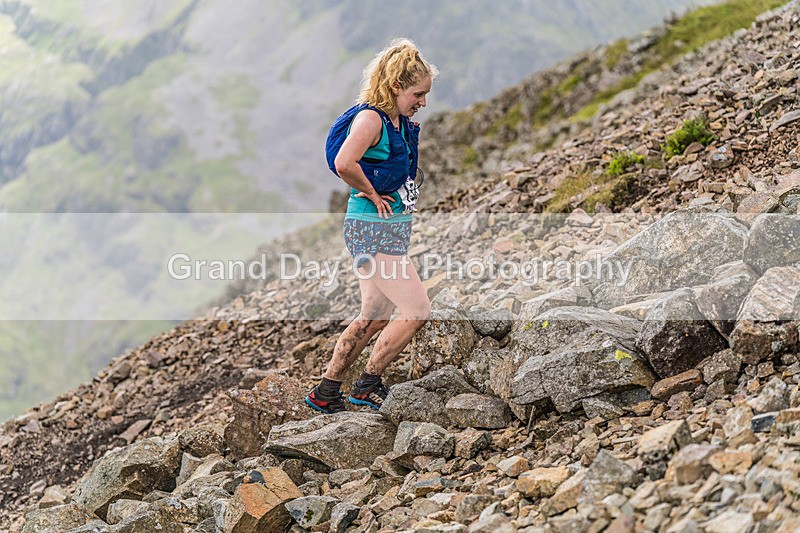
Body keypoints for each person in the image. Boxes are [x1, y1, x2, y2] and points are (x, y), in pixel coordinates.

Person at [306, 38, 438, 414]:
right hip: (372, 231)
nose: (423, 102)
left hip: (385, 231)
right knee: (416, 311)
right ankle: (367, 384)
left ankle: (326, 390)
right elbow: (345, 163)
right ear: (396, 86)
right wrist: (373, 193)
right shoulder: (370, 119)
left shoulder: (397, 120)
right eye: (418, 93)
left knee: (376, 314)